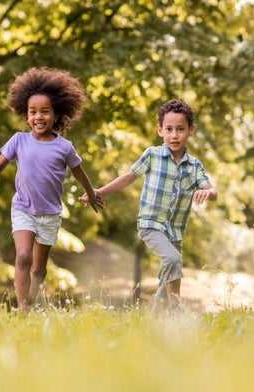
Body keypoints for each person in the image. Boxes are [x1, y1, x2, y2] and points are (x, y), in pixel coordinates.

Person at [0, 67, 104, 312]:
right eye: (32, 112)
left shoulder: (64, 147)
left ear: (56, 114)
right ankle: (23, 309)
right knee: (23, 256)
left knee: (38, 267)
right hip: (23, 208)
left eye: (44, 111)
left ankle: (31, 300)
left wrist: (91, 193)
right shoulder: (19, 140)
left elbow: (80, 173)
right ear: (25, 116)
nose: (38, 117)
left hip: (49, 214)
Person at [81, 99, 217, 315]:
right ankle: (175, 309)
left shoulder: (194, 166)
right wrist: (98, 192)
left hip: (176, 230)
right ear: (160, 130)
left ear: (191, 130)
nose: (174, 135)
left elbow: (213, 192)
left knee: (169, 273)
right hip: (150, 224)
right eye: (169, 129)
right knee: (173, 260)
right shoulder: (152, 155)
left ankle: (155, 319)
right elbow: (128, 177)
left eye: (180, 129)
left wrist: (206, 192)